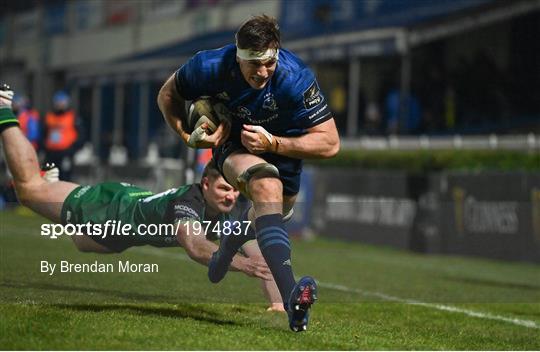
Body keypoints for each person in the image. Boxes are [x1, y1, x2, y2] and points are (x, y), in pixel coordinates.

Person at [157, 15, 340, 331]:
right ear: (237, 55)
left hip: (285, 148)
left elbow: (331, 143)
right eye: (253, 63)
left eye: (269, 62)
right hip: (234, 144)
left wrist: (274, 143)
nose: (262, 71)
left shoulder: (296, 79)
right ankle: (292, 302)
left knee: (270, 215)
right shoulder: (208, 66)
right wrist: (187, 137)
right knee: (266, 187)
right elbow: (167, 96)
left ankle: (226, 246)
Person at [0, 84, 271, 284]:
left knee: (83, 242)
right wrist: (243, 265)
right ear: (205, 185)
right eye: (225, 188)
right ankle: (2, 108)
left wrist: (278, 304)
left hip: (124, 221)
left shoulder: (224, 210)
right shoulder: (189, 202)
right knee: (28, 190)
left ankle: (55, 188)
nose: (231, 196)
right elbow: (195, 246)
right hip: (109, 211)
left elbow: (257, 256)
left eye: (235, 190)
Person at [44, 91, 80, 181]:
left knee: (65, 176)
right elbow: (44, 133)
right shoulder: (49, 116)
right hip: (51, 153)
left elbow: (81, 135)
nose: (60, 105)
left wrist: (73, 149)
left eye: (62, 102)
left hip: (66, 152)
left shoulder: (72, 116)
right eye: (58, 102)